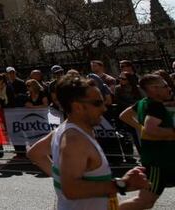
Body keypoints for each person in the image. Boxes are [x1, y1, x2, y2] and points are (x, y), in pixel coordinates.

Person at [28, 75, 149, 209]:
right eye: (97, 103)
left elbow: (35, 153)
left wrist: (62, 178)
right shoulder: (75, 141)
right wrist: (122, 184)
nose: (104, 108)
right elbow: (71, 190)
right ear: (78, 107)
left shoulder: (63, 130)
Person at [118, 74, 175, 208]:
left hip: (166, 159)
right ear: (154, 89)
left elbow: (124, 116)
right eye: (165, 86)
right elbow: (151, 129)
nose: (169, 89)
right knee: (144, 202)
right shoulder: (156, 107)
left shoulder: (143, 102)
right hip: (159, 163)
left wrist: (140, 127)